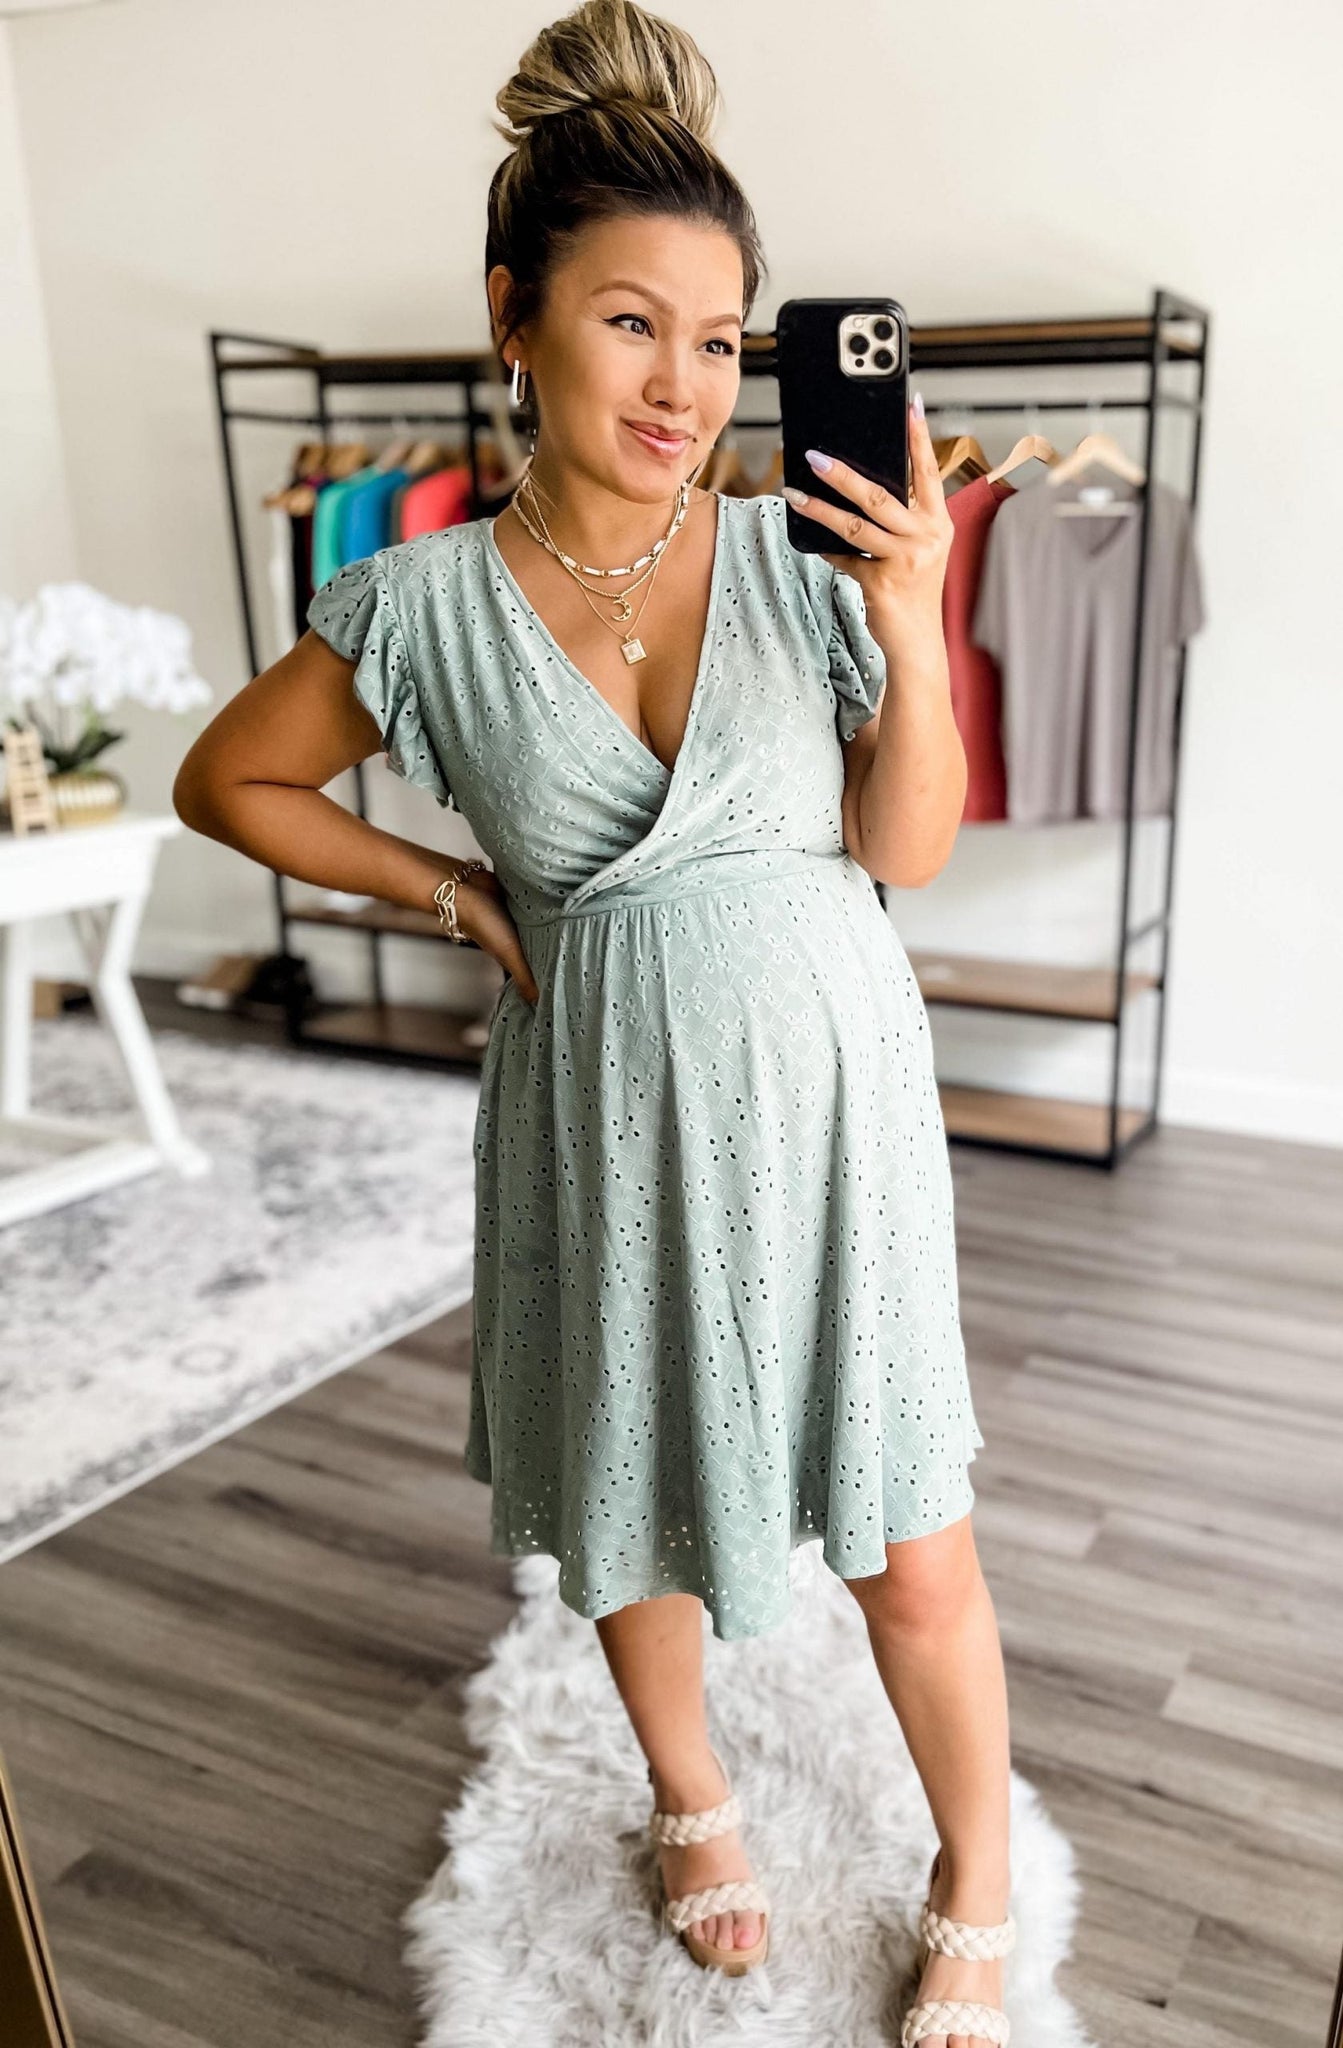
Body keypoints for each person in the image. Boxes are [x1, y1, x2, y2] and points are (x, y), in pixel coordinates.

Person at [174, 3, 1014, 2039]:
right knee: (634, 1494)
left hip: (833, 1101)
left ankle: (976, 1871)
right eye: (633, 325)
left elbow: (907, 847)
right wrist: (449, 888)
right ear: (514, 319)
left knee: (913, 1540)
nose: (682, 385)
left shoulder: (801, 555)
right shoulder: (422, 603)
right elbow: (230, 780)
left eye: (719, 342)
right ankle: (693, 1795)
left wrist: (909, 629)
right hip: (602, 1109)